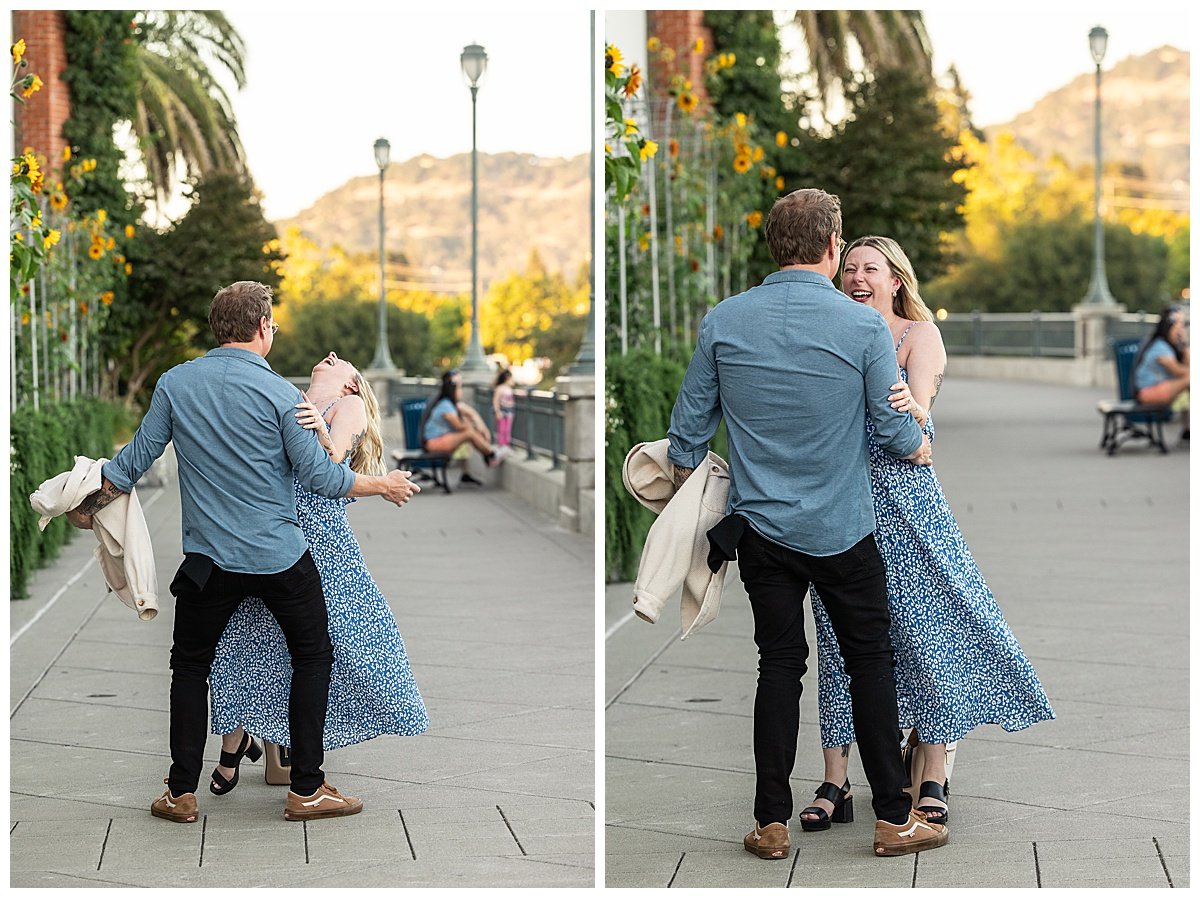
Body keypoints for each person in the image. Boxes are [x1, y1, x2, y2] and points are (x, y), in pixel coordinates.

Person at [66, 281, 420, 824]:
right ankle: (307, 788)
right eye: (272, 325)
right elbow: (323, 480)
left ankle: (181, 792)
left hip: (208, 564)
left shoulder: (176, 383)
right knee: (312, 657)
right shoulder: (281, 394)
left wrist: (84, 504)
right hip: (280, 558)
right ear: (261, 328)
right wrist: (383, 484)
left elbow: (131, 463)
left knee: (189, 669)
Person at [667, 189, 947, 860]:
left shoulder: (724, 321)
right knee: (869, 666)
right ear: (832, 247)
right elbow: (892, 428)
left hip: (760, 531)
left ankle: (770, 822)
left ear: (773, 246)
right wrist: (919, 443)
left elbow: (684, 439)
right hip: (843, 530)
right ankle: (893, 818)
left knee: (778, 666)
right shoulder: (863, 330)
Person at [800, 236, 1055, 833]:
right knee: (839, 645)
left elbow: (916, 420)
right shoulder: (831, 331)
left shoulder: (918, 335)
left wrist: (910, 406)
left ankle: (932, 767)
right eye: (851, 268)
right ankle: (836, 780)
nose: (858, 277)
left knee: (928, 636)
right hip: (841, 509)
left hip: (908, 508)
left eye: (872, 269)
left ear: (896, 281)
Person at [206, 350, 429, 795]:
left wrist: (320, 427)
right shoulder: (286, 399)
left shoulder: (348, 407)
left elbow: (332, 463)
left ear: (350, 383)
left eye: (342, 360)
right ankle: (266, 749)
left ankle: (258, 746)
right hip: (271, 535)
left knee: (333, 640)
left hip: (320, 542)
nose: (330, 356)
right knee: (260, 639)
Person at [421, 369, 505, 486]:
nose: (461, 391)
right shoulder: (445, 405)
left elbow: (469, 415)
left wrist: (478, 427)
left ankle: (485, 457)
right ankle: (491, 454)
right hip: (433, 443)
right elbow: (460, 426)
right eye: (459, 387)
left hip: (438, 440)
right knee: (468, 434)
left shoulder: (448, 403)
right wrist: (474, 428)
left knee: (469, 432)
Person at [1132, 307, 1189, 438]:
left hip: (1159, 388)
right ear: (1169, 327)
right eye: (1179, 326)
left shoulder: (1169, 346)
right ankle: (1187, 429)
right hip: (1148, 392)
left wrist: (1184, 343)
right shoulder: (1160, 347)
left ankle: (1187, 429)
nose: (1181, 330)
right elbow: (1179, 371)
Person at [492, 368, 516, 449]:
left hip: (509, 411)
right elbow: (495, 401)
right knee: (502, 429)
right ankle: (501, 445)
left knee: (507, 429)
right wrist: (497, 412)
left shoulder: (509, 388)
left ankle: (506, 445)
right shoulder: (500, 388)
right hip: (502, 411)